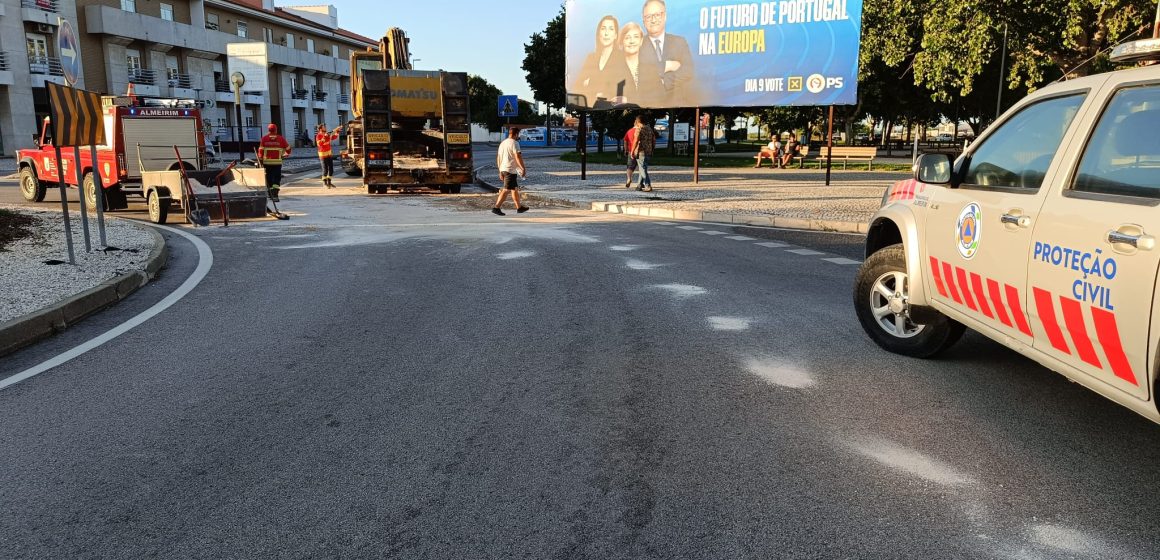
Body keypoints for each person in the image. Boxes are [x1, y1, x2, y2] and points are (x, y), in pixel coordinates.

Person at [639, 0, 696, 107]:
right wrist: (665, 66)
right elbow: (639, 74)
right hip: (647, 105)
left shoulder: (679, 42)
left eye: (657, 15)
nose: (653, 20)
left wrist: (664, 81)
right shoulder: (637, 46)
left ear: (665, 16)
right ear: (643, 20)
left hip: (675, 105)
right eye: (648, 16)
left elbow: (688, 70)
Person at [573, 15, 624, 108]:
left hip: (613, 110)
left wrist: (589, 84)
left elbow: (621, 89)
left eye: (611, 29)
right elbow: (577, 87)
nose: (606, 33)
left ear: (616, 35)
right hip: (592, 108)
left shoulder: (622, 58)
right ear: (598, 33)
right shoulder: (591, 58)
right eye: (603, 28)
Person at [492, 127, 528, 216]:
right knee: (506, 190)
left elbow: (498, 157)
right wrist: (523, 168)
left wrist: (500, 170)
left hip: (504, 169)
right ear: (516, 134)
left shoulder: (503, 143)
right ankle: (496, 207)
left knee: (514, 189)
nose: (518, 136)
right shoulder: (515, 143)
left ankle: (519, 207)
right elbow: (518, 156)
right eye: (518, 134)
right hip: (510, 170)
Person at [258, 123, 291, 201]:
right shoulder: (281, 139)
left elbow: (260, 151)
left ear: (268, 130)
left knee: (268, 178)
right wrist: (285, 154)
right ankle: (275, 195)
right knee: (276, 179)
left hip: (266, 163)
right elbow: (288, 149)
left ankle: (270, 194)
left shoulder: (264, 139)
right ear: (276, 130)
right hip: (277, 163)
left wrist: (260, 159)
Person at [630, 115, 656, 191]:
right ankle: (639, 185)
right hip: (648, 151)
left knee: (642, 169)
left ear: (637, 121)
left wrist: (632, 151)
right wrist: (652, 149)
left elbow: (636, 140)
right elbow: (654, 139)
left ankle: (648, 185)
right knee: (643, 168)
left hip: (641, 151)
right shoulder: (649, 129)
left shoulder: (639, 129)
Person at [315, 123, 342, 188]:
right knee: (325, 169)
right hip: (322, 154)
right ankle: (324, 183)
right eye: (324, 127)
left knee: (331, 169)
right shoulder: (318, 136)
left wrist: (337, 131)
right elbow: (319, 144)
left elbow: (334, 137)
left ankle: (329, 182)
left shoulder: (327, 134)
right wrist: (325, 137)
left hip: (329, 153)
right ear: (321, 128)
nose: (325, 127)